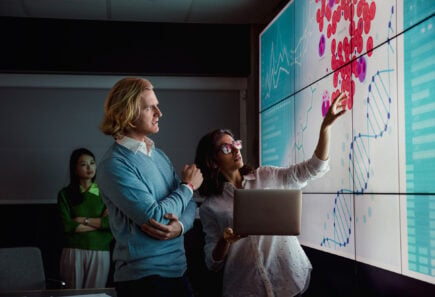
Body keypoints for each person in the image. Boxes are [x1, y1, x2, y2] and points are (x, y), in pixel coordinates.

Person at [194, 92, 348, 297]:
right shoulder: (210, 207)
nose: (235, 150)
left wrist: (325, 127)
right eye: (226, 147)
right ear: (212, 161)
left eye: (236, 144)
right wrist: (224, 241)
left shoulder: (266, 175)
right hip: (245, 287)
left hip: (288, 278)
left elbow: (314, 169)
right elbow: (212, 263)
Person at [96, 77, 203, 297]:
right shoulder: (113, 165)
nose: (159, 113)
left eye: (157, 105)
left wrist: (180, 227)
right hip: (143, 281)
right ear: (128, 113)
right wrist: (188, 185)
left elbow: (189, 205)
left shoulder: (158, 155)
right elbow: (156, 217)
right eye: (149, 107)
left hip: (178, 272)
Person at [57, 148, 113, 289]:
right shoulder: (65, 194)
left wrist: (82, 220)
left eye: (92, 163)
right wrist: (98, 224)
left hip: (100, 251)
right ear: (75, 170)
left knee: (95, 294)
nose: (90, 167)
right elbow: (67, 225)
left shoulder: (106, 193)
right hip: (73, 251)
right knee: (72, 294)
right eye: (83, 164)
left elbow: (110, 224)